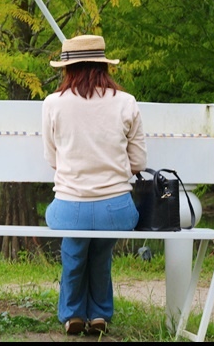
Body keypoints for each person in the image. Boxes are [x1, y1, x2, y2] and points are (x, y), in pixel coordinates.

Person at [41, 34, 146, 335]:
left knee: (75, 249)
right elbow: (138, 162)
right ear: (104, 67)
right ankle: (99, 314)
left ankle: (72, 313)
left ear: (67, 69)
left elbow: (53, 159)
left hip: (70, 207)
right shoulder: (126, 103)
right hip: (116, 209)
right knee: (100, 251)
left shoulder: (53, 104)